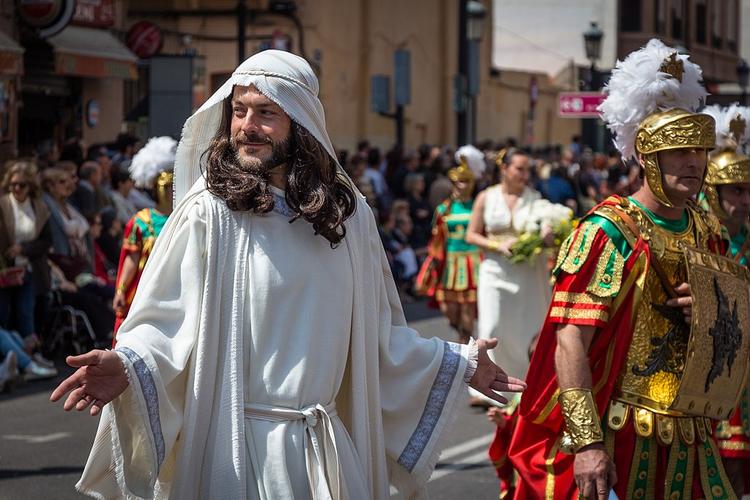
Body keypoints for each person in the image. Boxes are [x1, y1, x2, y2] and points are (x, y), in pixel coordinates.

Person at [50, 50, 524, 499]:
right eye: (239, 111)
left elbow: (377, 338)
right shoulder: (210, 213)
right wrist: (130, 363)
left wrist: (458, 362)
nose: (247, 127)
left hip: (326, 456)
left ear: (301, 122)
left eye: (265, 114)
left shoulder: (347, 215)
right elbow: (167, 323)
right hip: (235, 450)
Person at [508, 39, 737, 499]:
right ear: (647, 158)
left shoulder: (707, 229)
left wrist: (712, 311)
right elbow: (570, 337)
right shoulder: (609, 231)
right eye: (678, 152)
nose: (693, 162)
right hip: (625, 431)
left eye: (699, 150)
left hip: (694, 434)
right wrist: (587, 442)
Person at [465, 148, 553, 393]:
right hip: (495, 268)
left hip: (528, 271)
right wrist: (496, 245)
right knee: (492, 325)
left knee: (526, 328)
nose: (525, 175)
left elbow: (549, 229)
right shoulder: (486, 196)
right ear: (504, 169)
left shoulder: (535, 197)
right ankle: (488, 383)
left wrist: (548, 236)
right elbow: (471, 234)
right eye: (520, 169)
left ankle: (525, 381)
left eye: (528, 170)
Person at [700, 103, 750, 497]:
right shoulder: (698, 236)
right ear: (714, 193)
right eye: (736, 190)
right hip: (709, 369)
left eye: (749, 190)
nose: (745, 199)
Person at [415, 146, 483, 344]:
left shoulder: (478, 205)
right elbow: (436, 239)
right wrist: (433, 261)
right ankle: (463, 335)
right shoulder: (444, 208)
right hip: (450, 262)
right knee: (449, 309)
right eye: (457, 182)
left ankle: (466, 346)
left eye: (465, 181)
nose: (460, 186)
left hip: (473, 260)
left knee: (468, 310)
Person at [112, 136, 175, 335]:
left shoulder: (190, 218)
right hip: (145, 290)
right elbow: (132, 258)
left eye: (173, 185)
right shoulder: (141, 221)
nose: (169, 190)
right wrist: (121, 290)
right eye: (164, 186)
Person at [0, 161, 51, 344]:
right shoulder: (3, 205)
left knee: (26, 313)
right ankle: (9, 360)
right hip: (5, 271)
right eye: (13, 184)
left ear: (30, 186)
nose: (17, 188)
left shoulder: (39, 207)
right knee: (3, 314)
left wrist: (23, 249)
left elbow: (46, 241)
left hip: (29, 269)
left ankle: (30, 356)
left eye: (21, 185)